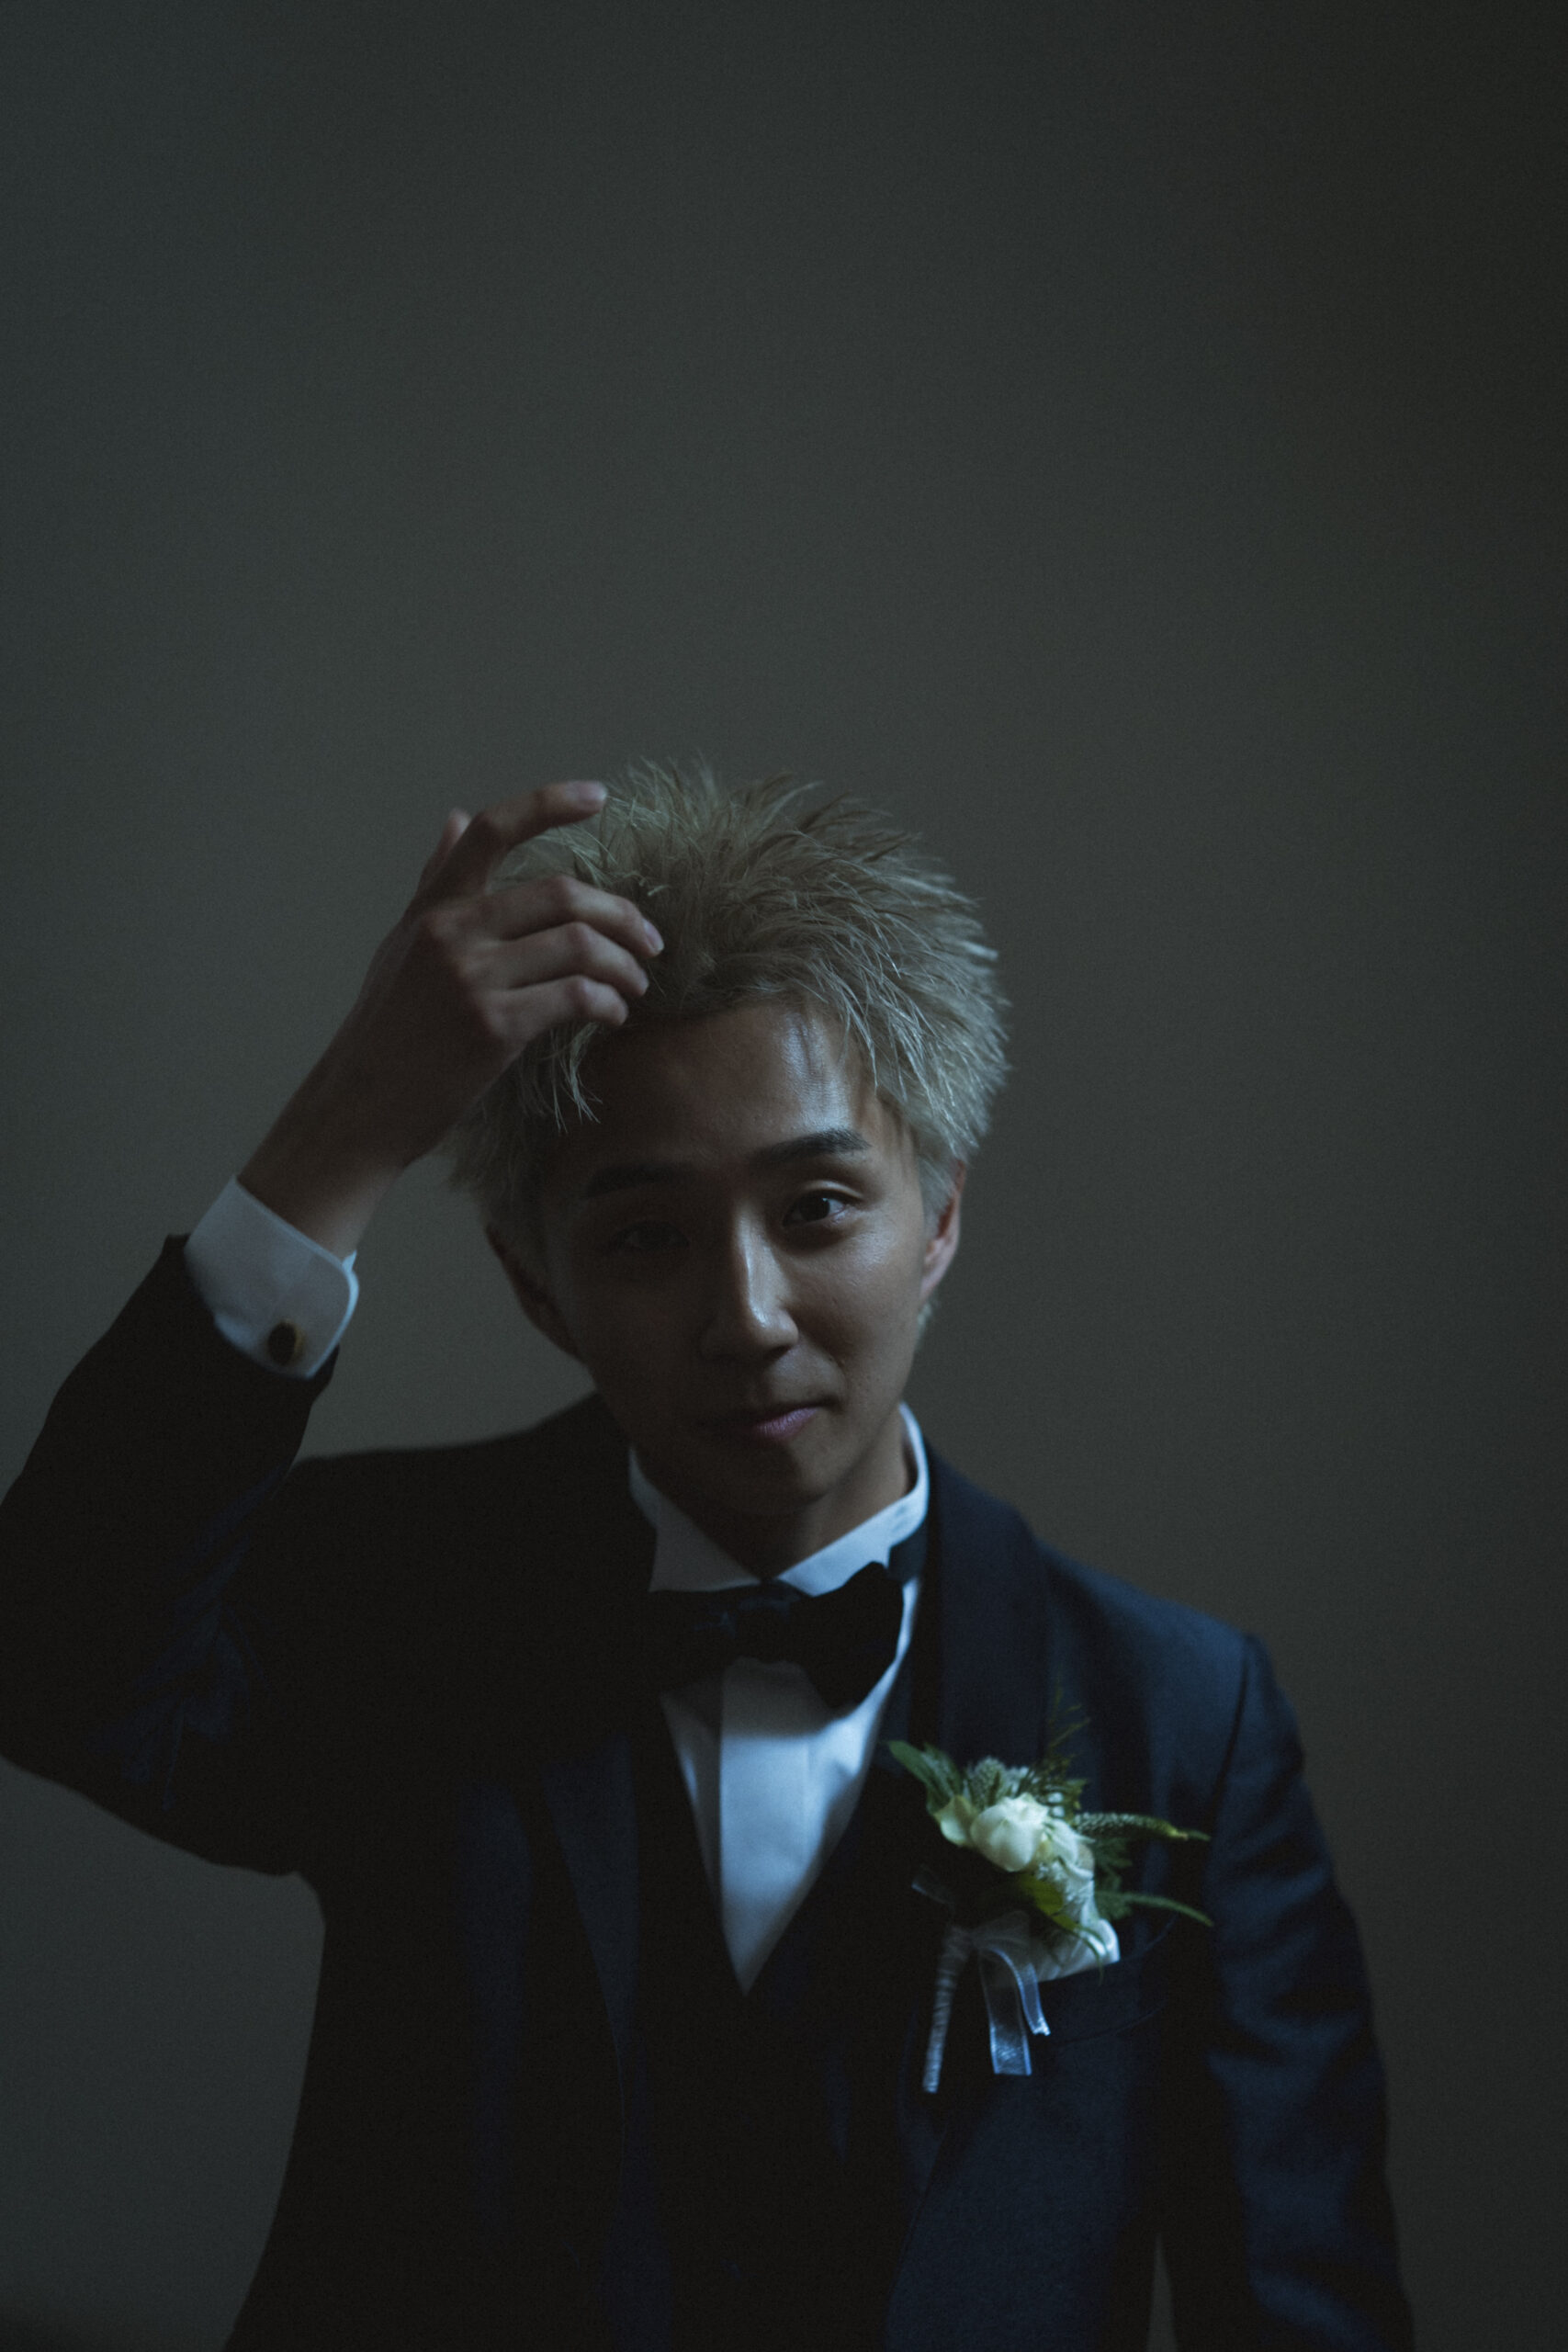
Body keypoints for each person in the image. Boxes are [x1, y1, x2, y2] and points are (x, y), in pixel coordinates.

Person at [0, 764, 1412, 2350]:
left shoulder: (1185, 1719)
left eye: (818, 1209)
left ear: (941, 1217)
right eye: (646, 1237)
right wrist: (347, 1126)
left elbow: (1299, 2303)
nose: (746, 1318)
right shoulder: (398, 1590)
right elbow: (52, 1665)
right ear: (539, 1289)